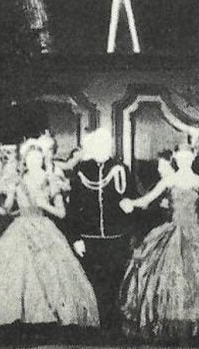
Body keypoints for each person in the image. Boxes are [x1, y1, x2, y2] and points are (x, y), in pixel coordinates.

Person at [0, 139, 100, 331]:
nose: (34, 161)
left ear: (42, 158)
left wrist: (44, 204)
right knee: (18, 274)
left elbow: (62, 212)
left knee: (50, 274)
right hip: (19, 229)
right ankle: (23, 323)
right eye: (30, 158)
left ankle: (48, 322)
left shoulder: (50, 180)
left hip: (44, 228)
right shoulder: (17, 180)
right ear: (25, 160)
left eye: (37, 157)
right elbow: (6, 209)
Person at [118, 143, 199, 342]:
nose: (184, 160)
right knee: (169, 278)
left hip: (198, 233)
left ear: (192, 158)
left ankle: (197, 325)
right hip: (172, 232)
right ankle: (173, 323)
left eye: (187, 157)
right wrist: (129, 202)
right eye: (180, 157)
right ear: (176, 159)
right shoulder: (169, 180)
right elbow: (147, 200)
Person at [64, 128, 132, 331]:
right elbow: (73, 208)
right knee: (93, 283)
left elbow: (130, 197)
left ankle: (113, 328)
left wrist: (129, 208)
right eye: (99, 144)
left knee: (115, 282)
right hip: (89, 237)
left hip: (115, 237)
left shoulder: (120, 169)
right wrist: (75, 238)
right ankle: (95, 327)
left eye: (106, 144)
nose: (104, 148)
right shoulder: (81, 171)